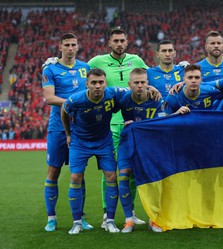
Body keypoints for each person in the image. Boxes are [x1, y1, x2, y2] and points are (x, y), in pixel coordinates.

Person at [88, 28, 147, 226]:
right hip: (110, 124)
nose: (119, 43)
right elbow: (81, 73)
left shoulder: (137, 60)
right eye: (116, 40)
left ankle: (130, 212)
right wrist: (55, 59)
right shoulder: (97, 61)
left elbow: (148, 80)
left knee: (133, 171)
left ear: (127, 41)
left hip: (134, 123)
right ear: (109, 43)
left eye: (122, 40)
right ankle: (107, 213)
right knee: (110, 170)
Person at [41, 33, 92, 232]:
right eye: (67, 45)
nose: (70, 48)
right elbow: (49, 98)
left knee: (79, 173)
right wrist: (75, 102)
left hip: (80, 128)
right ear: (60, 47)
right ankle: (51, 218)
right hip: (58, 128)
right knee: (54, 171)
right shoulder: (50, 68)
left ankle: (80, 218)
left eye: (73, 45)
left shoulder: (85, 68)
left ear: (78, 47)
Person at [60, 68, 120, 234]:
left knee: (112, 176)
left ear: (106, 83)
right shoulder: (76, 99)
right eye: (93, 83)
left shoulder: (113, 93)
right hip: (80, 142)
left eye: (101, 82)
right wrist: (68, 133)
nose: (97, 86)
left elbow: (132, 92)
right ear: (87, 84)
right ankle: (77, 222)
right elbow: (64, 110)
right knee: (75, 176)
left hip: (104, 141)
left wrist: (151, 88)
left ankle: (110, 220)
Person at [116, 68, 166, 233]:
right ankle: (128, 220)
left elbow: (162, 123)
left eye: (143, 82)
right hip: (127, 141)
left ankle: (154, 219)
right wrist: (123, 125)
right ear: (129, 84)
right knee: (124, 175)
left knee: (152, 178)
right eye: (136, 83)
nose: (139, 85)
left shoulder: (156, 99)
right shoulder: (123, 99)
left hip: (149, 143)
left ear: (147, 83)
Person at [196, 30, 223, 110]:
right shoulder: (198, 67)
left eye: (219, 43)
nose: (216, 46)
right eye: (212, 43)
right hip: (208, 115)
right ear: (206, 46)